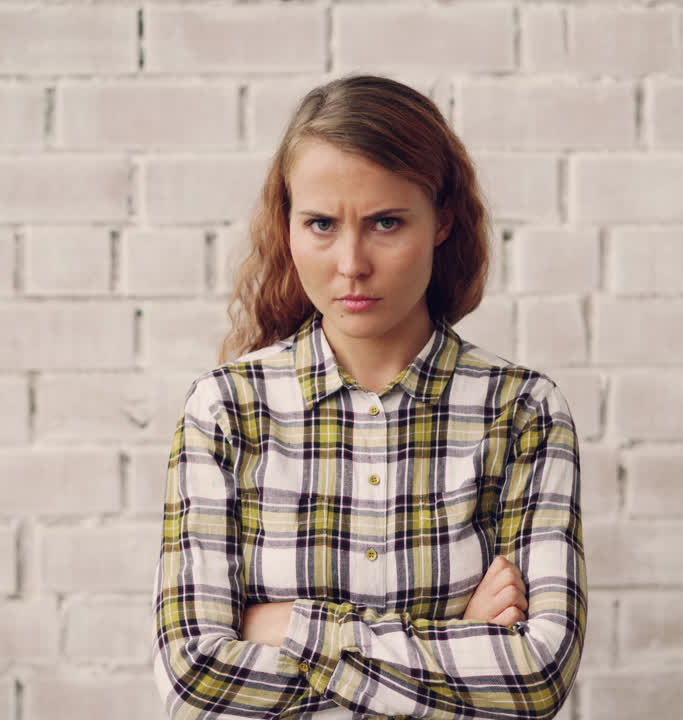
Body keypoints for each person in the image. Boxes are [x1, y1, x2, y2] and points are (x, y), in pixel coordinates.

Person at [151, 73, 586, 719]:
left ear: (442, 220)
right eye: (322, 223)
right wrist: (457, 638)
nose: (351, 263)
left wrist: (285, 624)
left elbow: (533, 680)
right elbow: (195, 679)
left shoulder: (521, 412)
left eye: (386, 222)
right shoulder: (227, 410)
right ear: (288, 224)